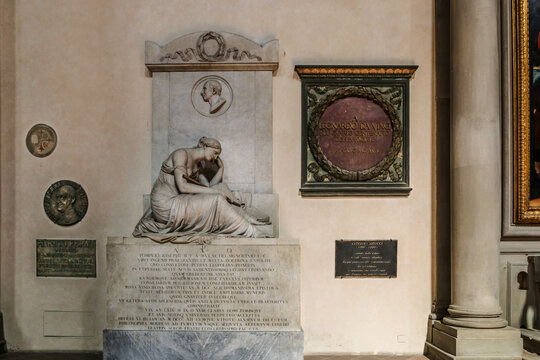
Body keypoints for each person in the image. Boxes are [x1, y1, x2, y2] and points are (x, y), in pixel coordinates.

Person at [133, 137, 268, 240]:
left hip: (178, 201)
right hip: (166, 205)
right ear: (204, 146)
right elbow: (183, 186)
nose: (215, 157)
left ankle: (246, 218)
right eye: (215, 152)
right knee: (217, 199)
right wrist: (217, 192)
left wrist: (221, 169)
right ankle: (250, 231)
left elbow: (210, 188)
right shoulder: (181, 154)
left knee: (221, 187)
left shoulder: (197, 167)